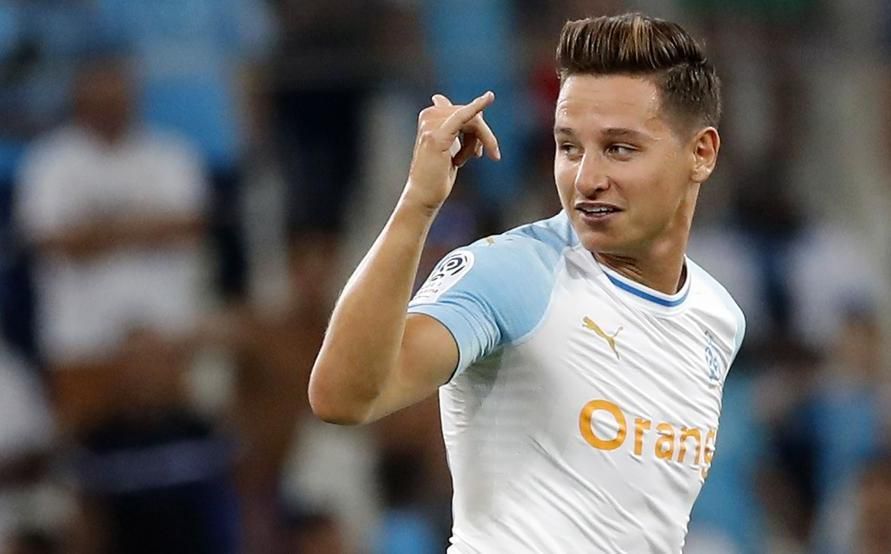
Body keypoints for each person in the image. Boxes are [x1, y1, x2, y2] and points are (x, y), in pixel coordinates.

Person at [309, 12, 746, 552]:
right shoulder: (513, 273)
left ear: (700, 153)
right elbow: (344, 398)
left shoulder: (717, 317)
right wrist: (418, 203)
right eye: (569, 147)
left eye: (619, 148)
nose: (587, 178)